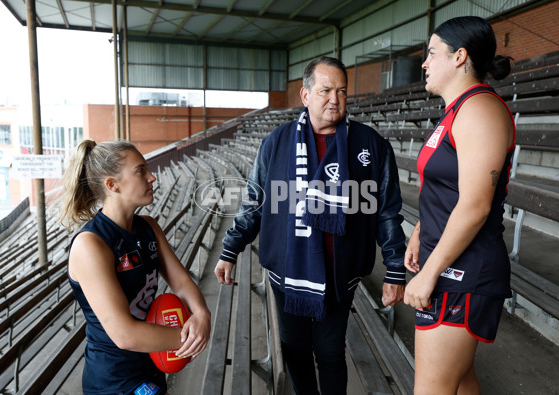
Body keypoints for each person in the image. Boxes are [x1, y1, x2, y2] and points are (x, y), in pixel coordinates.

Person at [214, 56, 407, 394]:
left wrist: (394, 269)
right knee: (295, 351)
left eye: (342, 91)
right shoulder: (276, 142)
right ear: (305, 95)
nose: (335, 99)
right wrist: (230, 248)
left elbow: (386, 212)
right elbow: (255, 203)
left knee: (330, 354)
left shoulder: (371, 145)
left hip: (339, 274)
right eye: (325, 90)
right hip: (287, 273)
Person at [403, 16, 515, 394]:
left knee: (432, 389)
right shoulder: (456, 111)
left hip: (463, 271)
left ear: (459, 57)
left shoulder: (481, 110)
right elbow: (444, 186)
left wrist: (430, 272)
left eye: (432, 53)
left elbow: (475, 205)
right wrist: (420, 231)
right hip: (448, 260)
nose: (424, 63)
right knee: (460, 381)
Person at [59, 140, 211, 395]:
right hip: (114, 381)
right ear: (112, 184)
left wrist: (202, 314)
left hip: (152, 363)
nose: (152, 177)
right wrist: (190, 336)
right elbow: (124, 335)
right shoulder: (91, 244)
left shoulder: (149, 226)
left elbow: (182, 283)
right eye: (141, 171)